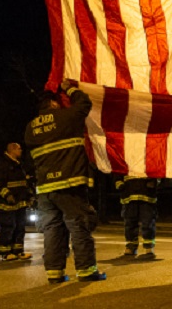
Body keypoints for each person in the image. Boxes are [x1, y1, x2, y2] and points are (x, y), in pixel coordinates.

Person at [25, 80, 106, 284]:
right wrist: (70, 89)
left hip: (45, 188)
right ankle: (87, 270)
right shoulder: (65, 117)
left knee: (53, 229)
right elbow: (84, 104)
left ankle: (55, 273)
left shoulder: (30, 129)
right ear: (53, 104)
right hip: (69, 183)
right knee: (78, 225)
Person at [0, 142, 33, 261]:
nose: (21, 151)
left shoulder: (18, 165)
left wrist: (28, 196)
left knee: (20, 227)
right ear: (12, 150)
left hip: (20, 202)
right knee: (7, 227)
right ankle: (5, 253)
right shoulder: (3, 165)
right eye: (19, 149)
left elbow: (23, 184)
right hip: (7, 204)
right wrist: (8, 195)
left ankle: (18, 251)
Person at [116, 175, 159, 258]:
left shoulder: (149, 161)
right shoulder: (126, 161)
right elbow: (118, 169)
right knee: (130, 222)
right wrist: (119, 183)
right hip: (129, 193)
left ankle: (149, 248)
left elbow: (157, 170)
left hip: (146, 193)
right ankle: (131, 246)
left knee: (148, 222)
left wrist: (154, 182)